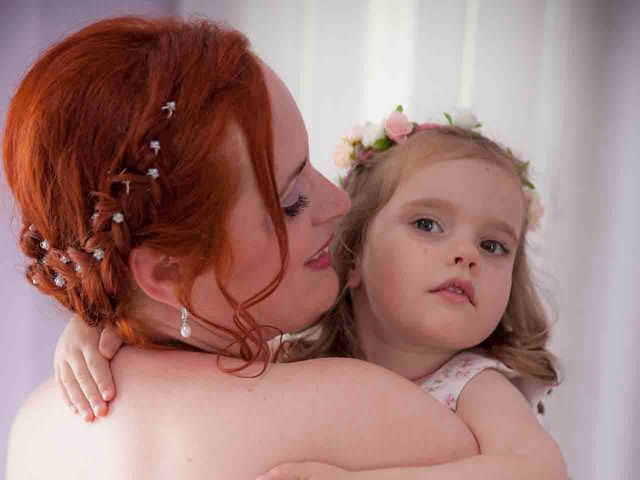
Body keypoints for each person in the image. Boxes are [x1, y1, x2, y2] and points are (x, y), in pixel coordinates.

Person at [3, 17, 478, 480]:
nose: (340, 202)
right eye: (290, 202)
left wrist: (107, 313)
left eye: (309, 166)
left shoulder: (37, 425)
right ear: (167, 274)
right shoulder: (366, 409)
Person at [256, 109, 568, 478]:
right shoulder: (290, 358)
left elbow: (539, 471)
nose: (467, 255)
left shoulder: (471, 385)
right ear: (353, 255)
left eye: (493, 245)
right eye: (427, 224)